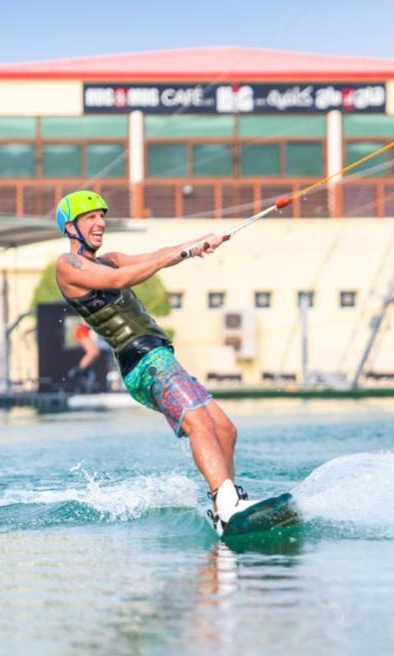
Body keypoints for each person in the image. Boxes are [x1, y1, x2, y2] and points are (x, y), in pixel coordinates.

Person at [53, 190, 248, 533]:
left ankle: (225, 508)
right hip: (142, 361)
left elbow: (157, 255)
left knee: (225, 430)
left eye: (102, 217)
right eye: (91, 218)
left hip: (161, 356)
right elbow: (118, 282)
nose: (100, 223)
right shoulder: (68, 266)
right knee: (199, 424)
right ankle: (226, 502)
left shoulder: (109, 258)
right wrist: (181, 253)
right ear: (71, 227)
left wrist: (202, 242)